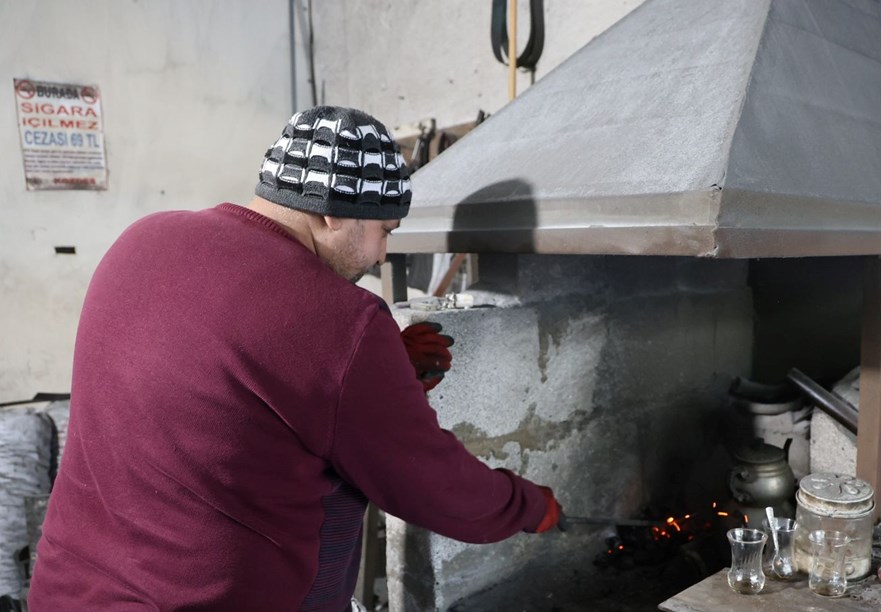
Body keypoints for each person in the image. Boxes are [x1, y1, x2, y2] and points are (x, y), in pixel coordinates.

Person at [29, 106, 562, 611]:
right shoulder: (340, 319)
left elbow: (223, 386)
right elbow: (432, 486)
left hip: (67, 588)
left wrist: (361, 381)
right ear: (333, 212)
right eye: (384, 232)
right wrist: (528, 506)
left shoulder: (142, 240)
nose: (381, 256)